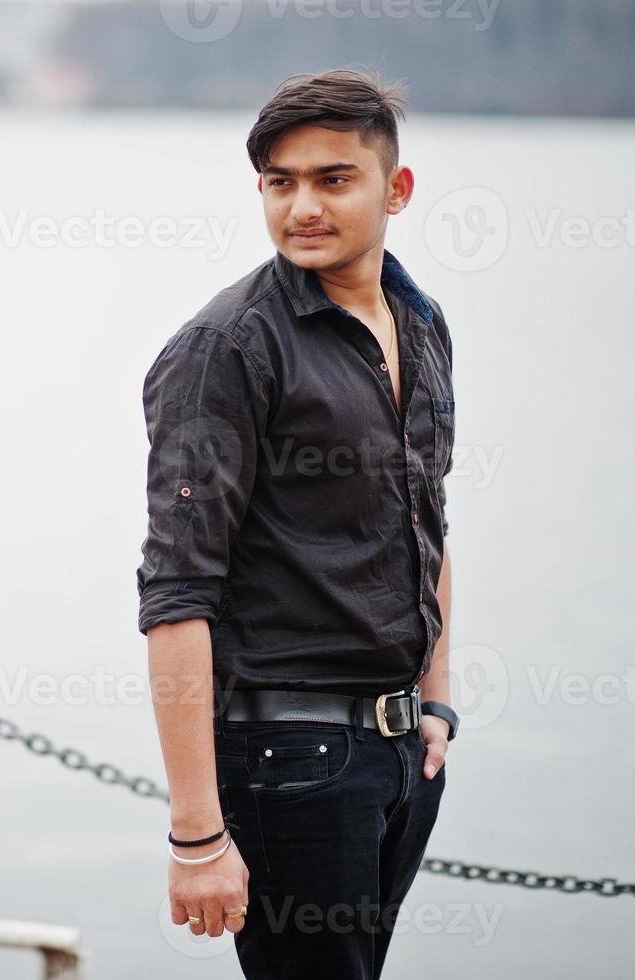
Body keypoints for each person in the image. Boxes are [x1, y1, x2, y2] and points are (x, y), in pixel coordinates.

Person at [136, 67, 462, 979]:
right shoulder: (225, 351)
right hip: (288, 761)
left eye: (332, 179)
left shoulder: (420, 321)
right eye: (280, 183)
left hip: (401, 757)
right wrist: (197, 833)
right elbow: (175, 593)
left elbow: (426, 518)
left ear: (395, 189)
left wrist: (433, 700)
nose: (301, 207)